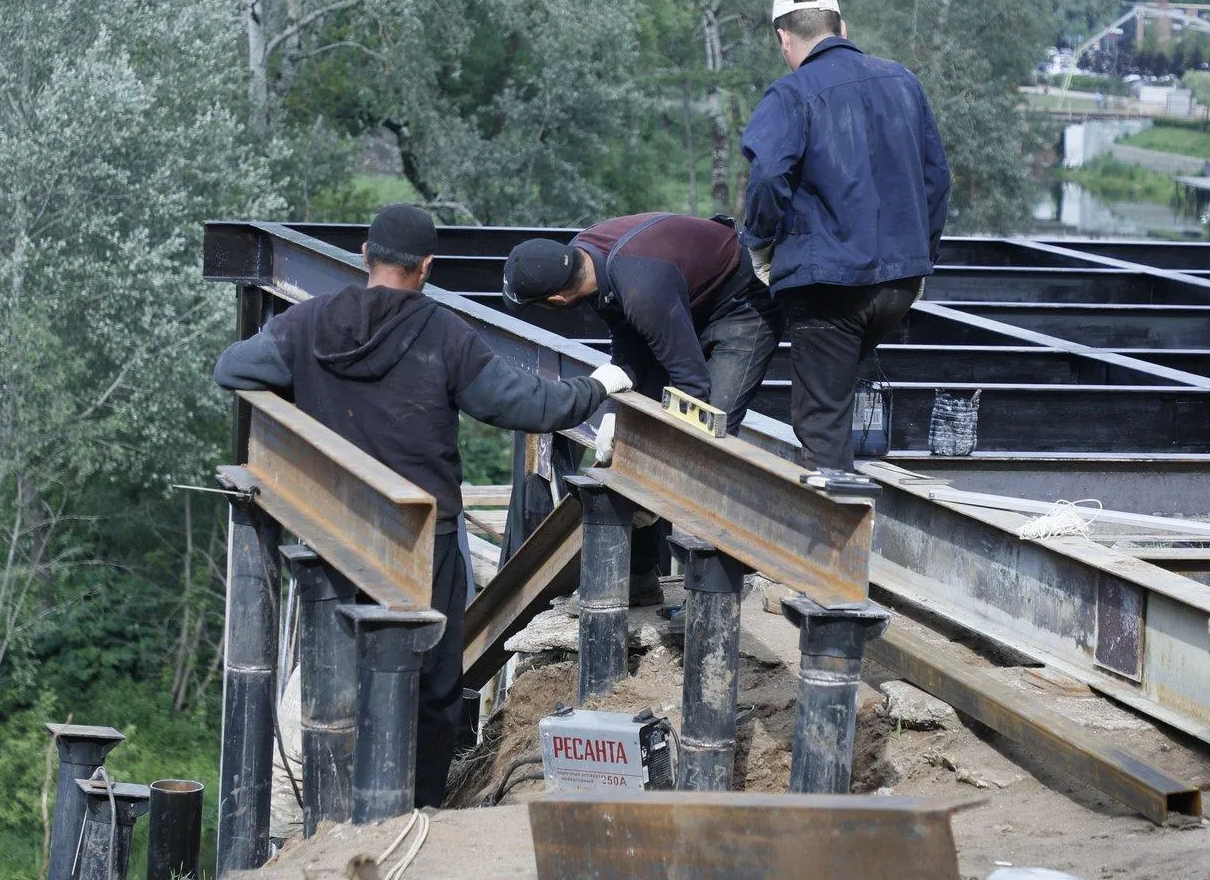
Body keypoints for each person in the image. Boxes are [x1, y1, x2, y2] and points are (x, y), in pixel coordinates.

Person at [213, 204, 629, 809]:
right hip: (421, 538)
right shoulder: (443, 334)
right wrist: (600, 386)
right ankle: (418, 815)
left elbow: (232, 368)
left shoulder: (307, 324)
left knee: (341, 676)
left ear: (364, 255)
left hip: (337, 529)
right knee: (432, 687)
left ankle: (335, 821)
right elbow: (527, 405)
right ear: (427, 266)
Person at [740, 0, 951, 490]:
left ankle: (834, 549)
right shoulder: (904, 82)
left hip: (829, 285)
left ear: (783, 39)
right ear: (842, 27)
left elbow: (769, 176)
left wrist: (760, 244)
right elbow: (937, 180)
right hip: (898, 283)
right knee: (837, 388)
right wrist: (920, 257)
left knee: (822, 417)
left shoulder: (791, 93)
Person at [499, 213, 783, 435]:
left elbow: (692, 387)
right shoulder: (583, 258)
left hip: (744, 302)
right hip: (684, 298)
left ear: (558, 299)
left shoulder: (641, 290)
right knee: (644, 415)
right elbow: (629, 339)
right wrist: (615, 412)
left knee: (708, 426)